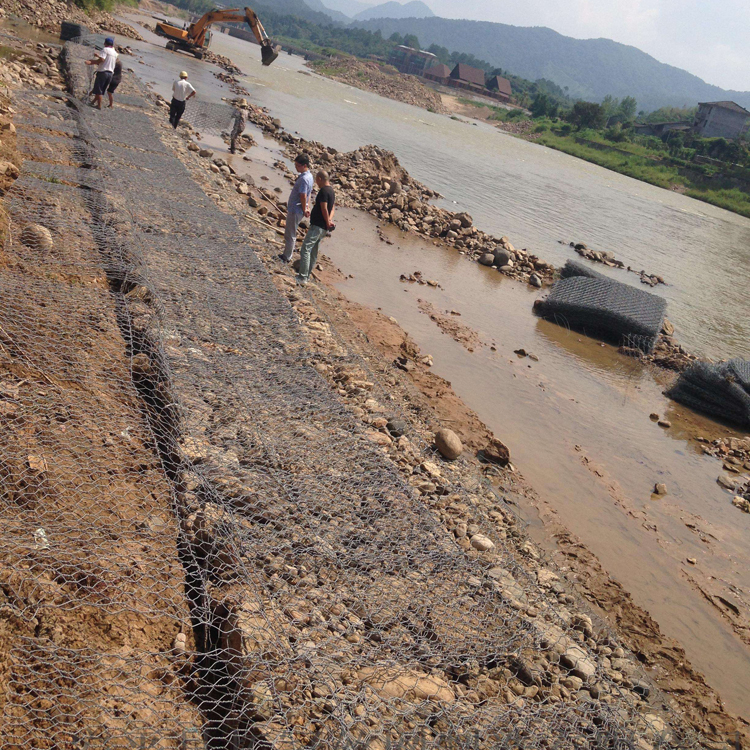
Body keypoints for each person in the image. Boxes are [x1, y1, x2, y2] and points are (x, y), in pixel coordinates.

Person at [296, 170, 335, 286]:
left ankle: (302, 277)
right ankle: (306, 276)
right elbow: (332, 209)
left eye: (317, 180)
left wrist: (327, 221)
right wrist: (329, 221)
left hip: (318, 225)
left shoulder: (323, 191)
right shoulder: (331, 191)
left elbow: (324, 208)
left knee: (306, 249)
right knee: (313, 252)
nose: (316, 183)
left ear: (319, 179)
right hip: (323, 228)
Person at [279, 154, 313, 264]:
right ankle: (287, 254)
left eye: (297, 166)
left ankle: (287, 257)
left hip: (296, 210)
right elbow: (308, 195)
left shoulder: (304, 179)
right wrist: (307, 208)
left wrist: (304, 209)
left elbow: (303, 195)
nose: (296, 167)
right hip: (298, 209)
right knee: (290, 232)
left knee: (290, 233)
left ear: (304, 166)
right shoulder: (310, 176)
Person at [85, 37, 118, 110]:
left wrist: (91, 62)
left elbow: (102, 60)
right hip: (110, 74)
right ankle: (94, 103)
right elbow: (107, 61)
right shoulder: (115, 53)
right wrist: (98, 56)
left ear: (105, 43)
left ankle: (99, 106)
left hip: (103, 73)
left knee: (98, 90)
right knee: (101, 90)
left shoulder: (105, 49)